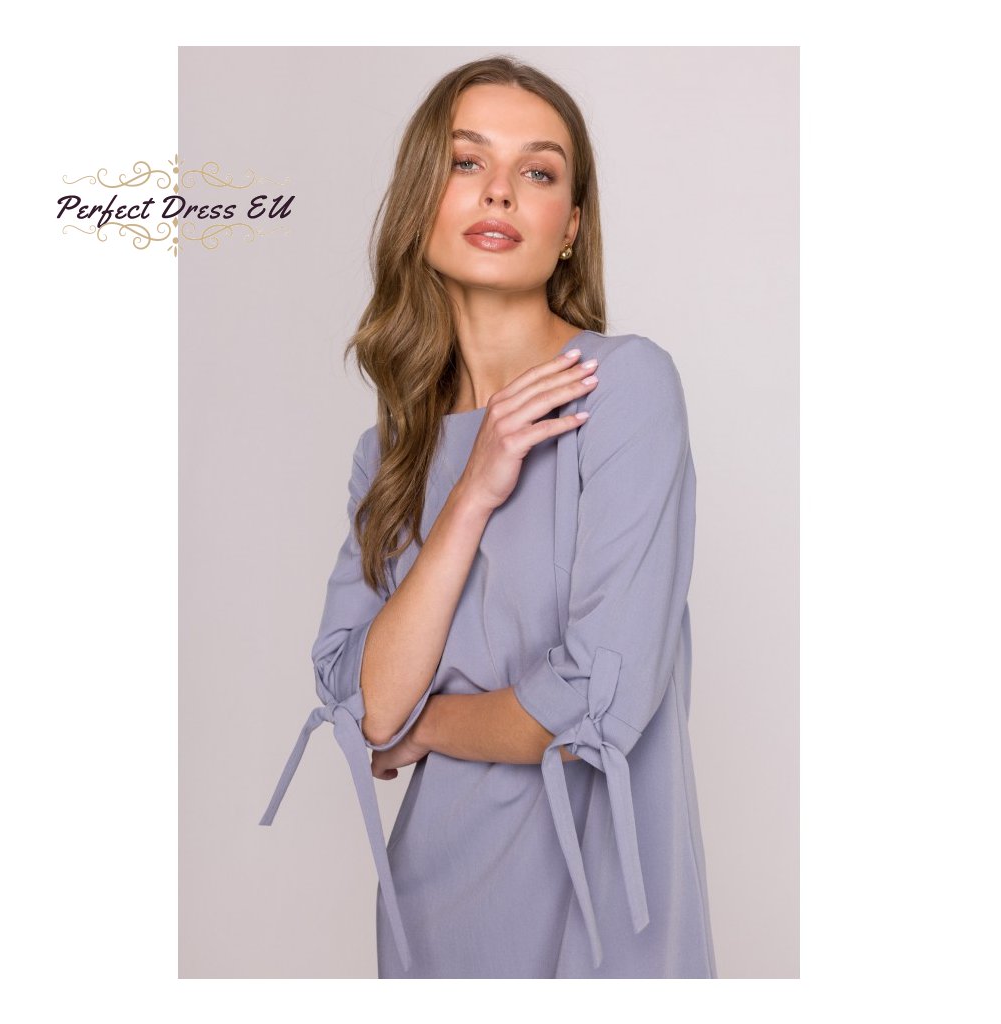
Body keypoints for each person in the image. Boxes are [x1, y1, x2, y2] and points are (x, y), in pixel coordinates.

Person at [259, 54, 716, 979]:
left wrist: (426, 727)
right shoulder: (389, 453)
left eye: (538, 172)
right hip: (432, 913)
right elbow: (363, 703)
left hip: (607, 923)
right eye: (468, 162)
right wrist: (472, 492)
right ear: (420, 200)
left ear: (570, 225)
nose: (500, 191)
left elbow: (597, 704)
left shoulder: (624, 389)